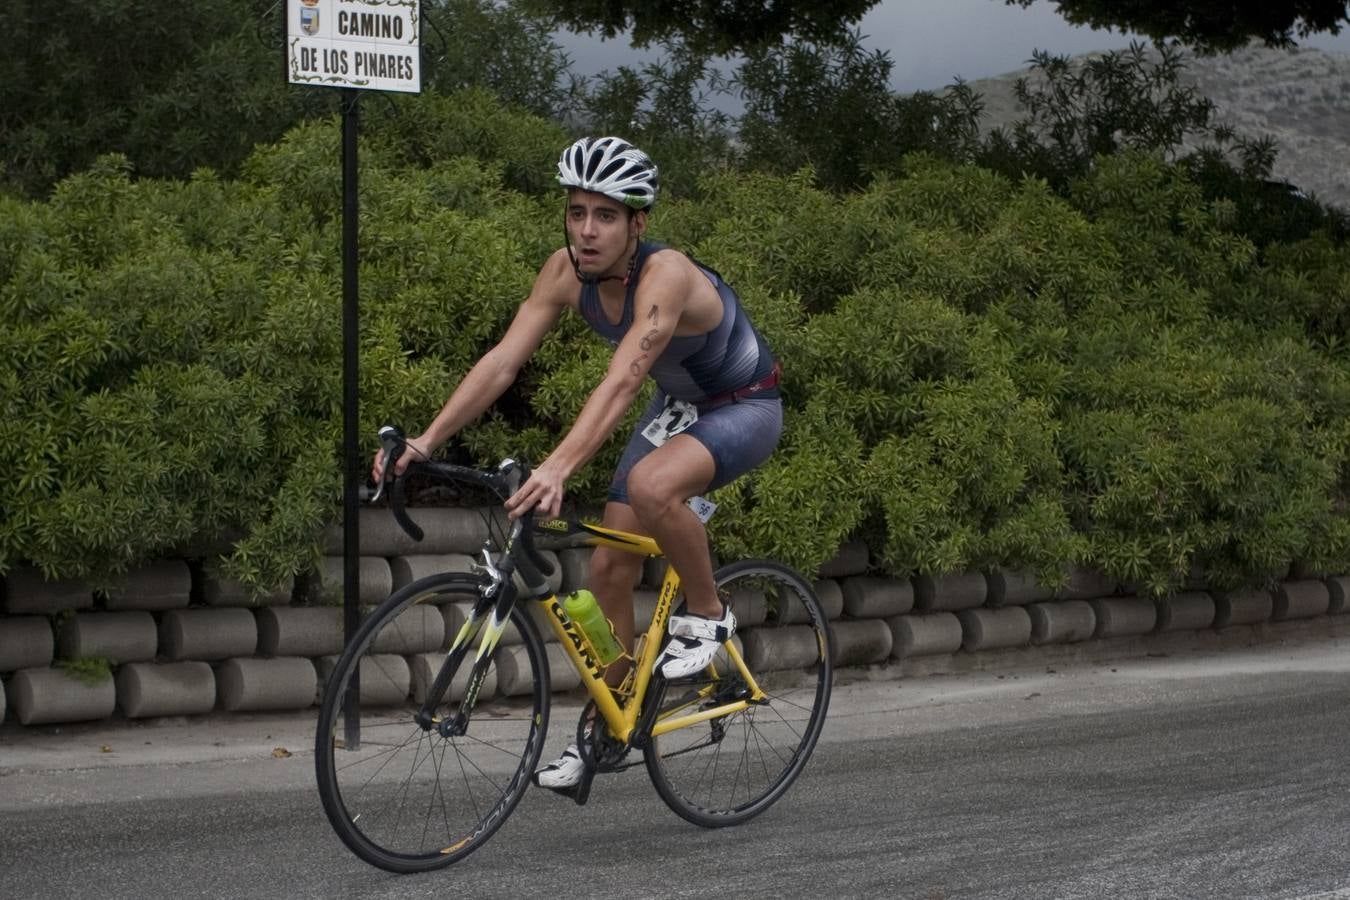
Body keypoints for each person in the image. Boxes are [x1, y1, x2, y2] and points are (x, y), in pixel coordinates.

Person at [372, 136, 783, 791]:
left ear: (637, 224)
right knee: (608, 568)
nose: (587, 231)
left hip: (744, 405)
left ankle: (709, 614)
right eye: (576, 212)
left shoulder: (666, 274)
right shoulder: (563, 273)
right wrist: (424, 442)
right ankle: (606, 730)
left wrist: (558, 467)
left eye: (606, 215)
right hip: (680, 406)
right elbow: (504, 362)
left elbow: (621, 384)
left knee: (651, 486)